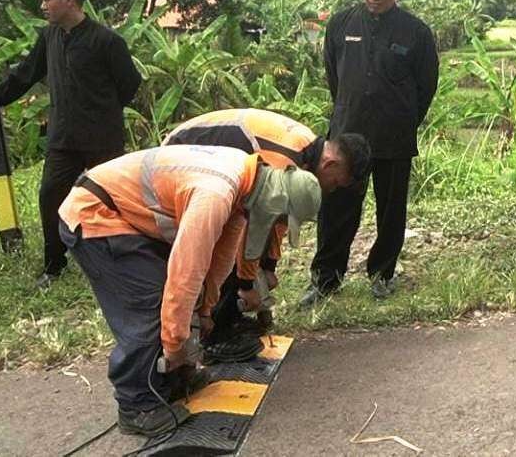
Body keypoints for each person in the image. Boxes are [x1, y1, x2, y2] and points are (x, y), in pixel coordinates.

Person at [58, 144, 321, 435]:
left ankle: (168, 383)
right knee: (152, 303)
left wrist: (206, 311)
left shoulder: (244, 183)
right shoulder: (216, 195)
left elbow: (218, 261)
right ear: (275, 203)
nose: (277, 225)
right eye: (280, 219)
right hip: (96, 213)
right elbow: (185, 276)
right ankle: (137, 405)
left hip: (127, 217)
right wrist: (175, 347)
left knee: (172, 305)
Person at [0, 0, 141, 289]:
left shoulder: (107, 41)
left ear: (69, 0)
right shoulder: (49, 37)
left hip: (103, 140)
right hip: (63, 140)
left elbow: (129, 85)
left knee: (115, 201)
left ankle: (126, 261)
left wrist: (99, 111)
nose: (42, 5)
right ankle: (54, 265)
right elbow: (24, 75)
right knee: (50, 197)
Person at [162, 108, 370, 351]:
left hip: (215, 167)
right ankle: (216, 331)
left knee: (242, 250)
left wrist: (269, 266)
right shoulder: (286, 157)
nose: (331, 190)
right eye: (335, 183)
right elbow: (254, 226)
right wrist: (247, 285)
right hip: (181, 156)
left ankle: (227, 317)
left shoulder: (307, 151)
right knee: (225, 245)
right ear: (330, 163)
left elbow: (280, 217)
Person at [299, 0, 439, 305]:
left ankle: (382, 274)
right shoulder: (341, 25)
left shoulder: (416, 32)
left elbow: (426, 86)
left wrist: (405, 119)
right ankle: (326, 279)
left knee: (391, 211)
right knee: (337, 210)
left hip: (394, 138)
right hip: (347, 137)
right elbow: (335, 77)